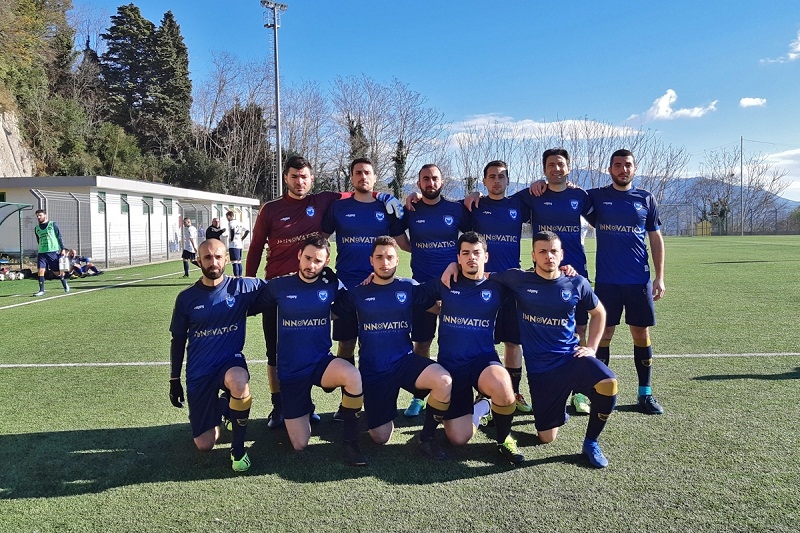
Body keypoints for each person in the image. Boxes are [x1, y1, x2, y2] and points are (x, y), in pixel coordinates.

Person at [245, 155, 403, 429]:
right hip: (277, 289)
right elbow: (257, 247)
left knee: (309, 350)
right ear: (286, 178)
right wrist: (249, 282)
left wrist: (382, 194)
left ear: (311, 179)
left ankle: (311, 404)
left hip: (311, 288)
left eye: (304, 176)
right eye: (294, 176)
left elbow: (358, 190)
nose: (299, 181)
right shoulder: (270, 209)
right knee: (275, 353)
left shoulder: (324, 200)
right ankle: (279, 406)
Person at [491, 231, 617, 468]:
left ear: (562, 254)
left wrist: (591, 347)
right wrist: (452, 269)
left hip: (571, 359)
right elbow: (484, 275)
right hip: (541, 373)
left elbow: (599, 312)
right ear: (534, 256)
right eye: (543, 251)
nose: (549, 256)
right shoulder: (519, 280)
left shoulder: (576, 282)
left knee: (609, 383)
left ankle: (591, 442)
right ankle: (558, 408)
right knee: (546, 437)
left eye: (553, 251)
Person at [335, 236, 452, 459]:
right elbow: (331, 311)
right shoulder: (358, 292)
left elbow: (438, 307)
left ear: (398, 260)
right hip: (374, 370)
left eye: (389, 257)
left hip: (404, 363)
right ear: (371, 261)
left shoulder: (408, 287)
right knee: (380, 437)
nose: (384, 262)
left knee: (443, 380)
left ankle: (426, 438)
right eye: (379, 257)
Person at [418, 232, 525, 464]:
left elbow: (531, 279)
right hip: (451, 366)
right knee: (458, 438)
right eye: (465, 253)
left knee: (503, 384)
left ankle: (504, 438)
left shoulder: (497, 286)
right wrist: (437, 308)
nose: (471, 258)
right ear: (458, 257)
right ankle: (482, 407)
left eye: (476, 253)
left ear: (486, 256)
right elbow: (417, 296)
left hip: (482, 361)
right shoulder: (446, 282)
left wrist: (567, 271)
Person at [262, 236, 366, 466]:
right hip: (291, 372)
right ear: (299, 255)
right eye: (308, 258)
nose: (311, 265)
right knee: (300, 444)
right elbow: (250, 301)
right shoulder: (279, 285)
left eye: (318, 261)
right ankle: (304, 407)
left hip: (321, 362)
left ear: (326, 261)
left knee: (352, 375)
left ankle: (351, 441)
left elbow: (349, 301)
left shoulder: (330, 283)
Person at [168, 238, 264, 472]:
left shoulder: (242, 288)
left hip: (229, 363)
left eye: (218, 256)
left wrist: (322, 277)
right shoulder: (186, 298)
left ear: (227, 259)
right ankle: (224, 406)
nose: (214, 262)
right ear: (198, 260)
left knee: (239, 381)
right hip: (199, 371)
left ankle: (238, 449)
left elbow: (279, 288)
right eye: (208, 257)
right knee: (205, 444)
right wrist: (174, 380)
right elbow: (178, 340)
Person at [585, 149, 666, 415]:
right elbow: (568, 196)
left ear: (634, 168)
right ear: (610, 169)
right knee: (604, 333)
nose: (623, 170)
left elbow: (655, 238)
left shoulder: (645, 198)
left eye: (627, 165)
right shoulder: (597, 197)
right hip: (607, 281)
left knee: (640, 333)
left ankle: (645, 393)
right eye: (617, 165)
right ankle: (599, 389)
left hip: (638, 281)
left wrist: (660, 276)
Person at [320, 158, 410, 390]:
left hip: (379, 287)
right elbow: (320, 240)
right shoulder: (339, 207)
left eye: (367, 172)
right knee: (347, 343)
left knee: (377, 342)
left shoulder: (386, 207)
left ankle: (377, 391)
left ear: (374, 177)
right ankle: (348, 399)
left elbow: (404, 244)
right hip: (347, 286)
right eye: (358, 172)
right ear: (351, 177)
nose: (363, 176)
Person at [521, 149, 594, 414]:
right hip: (543, 275)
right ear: (544, 168)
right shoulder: (534, 195)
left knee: (579, 331)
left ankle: (579, 393)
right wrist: (476, 195)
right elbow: (499, 201)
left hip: (575, 274)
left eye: (560, 164)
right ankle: (540, 388)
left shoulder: (580, 196)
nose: (556, 168)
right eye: (550, 164)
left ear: (569, 168)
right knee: (541, 330)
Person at [400, 164, 470, 417]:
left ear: (443, 182)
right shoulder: (410, 209)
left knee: (456, 343)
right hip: (422, 287)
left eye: (435, 178)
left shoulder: (455, 208)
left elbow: (472, 237)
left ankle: (456, 392)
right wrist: (418, 249)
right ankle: (419, 397)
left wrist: (476, 196)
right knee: (422, 344)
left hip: (455, 286)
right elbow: (399, 239)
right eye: (425, 179)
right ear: (418, 183)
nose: (431, 183)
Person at [465, 160, 533, 414]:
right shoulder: (474, 206)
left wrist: (540, 184)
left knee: (513, 342)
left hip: (512, 283)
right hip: (483, 283)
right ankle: (483, 395)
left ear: (508, 181)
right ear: (484, 181)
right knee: (484, 341)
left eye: (501, 176)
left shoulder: (518, 204)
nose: (497, 181)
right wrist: (472, 195)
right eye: (491, 176)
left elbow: (547, 190)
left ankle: (513, 392)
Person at [32, 209, 70, 296]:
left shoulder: (53, 224)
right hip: (41, 253)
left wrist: (62, 248)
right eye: (37, 216)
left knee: (56, 272)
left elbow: (59, 236)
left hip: (52, 252)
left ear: (45, 215)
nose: (38, 217)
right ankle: (41, 290)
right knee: (40, 270)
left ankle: (64, 282)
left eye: (40, 215)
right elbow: (39, 240)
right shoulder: (36, 228)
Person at [225, 211, 250, 278]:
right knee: (239, 261)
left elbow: (232, 230)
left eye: (227, 216)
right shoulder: (239, 222)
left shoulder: (231, 223)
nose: (227, 218)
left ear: (229, 216)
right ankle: (240, 275)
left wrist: (232, 239)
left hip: (234, 244)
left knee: (234, 261)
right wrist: (242, 238)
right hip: (239, 243)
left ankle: (236, 276)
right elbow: (247, 230)